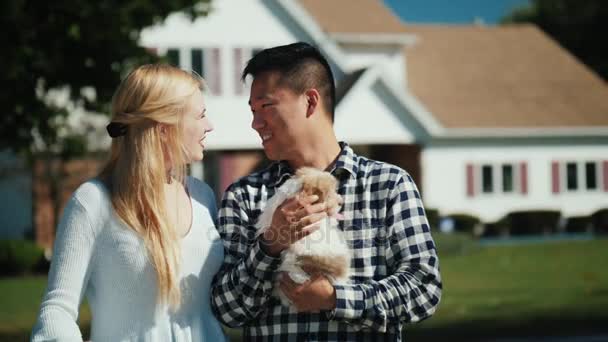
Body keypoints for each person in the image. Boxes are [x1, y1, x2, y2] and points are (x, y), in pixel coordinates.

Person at [211, 42, 442, 340]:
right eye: (253, 111)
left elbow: (424, 289)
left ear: (310, 101)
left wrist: (335, 299)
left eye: (266, 106)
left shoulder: (389, 185)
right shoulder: (244, 196)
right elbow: (227, 310)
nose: (255, 123)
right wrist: (271, 244)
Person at [31, 64, 226, 342]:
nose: (210, 126)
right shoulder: (93, 202)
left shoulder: (204, 196)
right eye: (201, 115)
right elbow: (56, 311)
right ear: (163, 128)